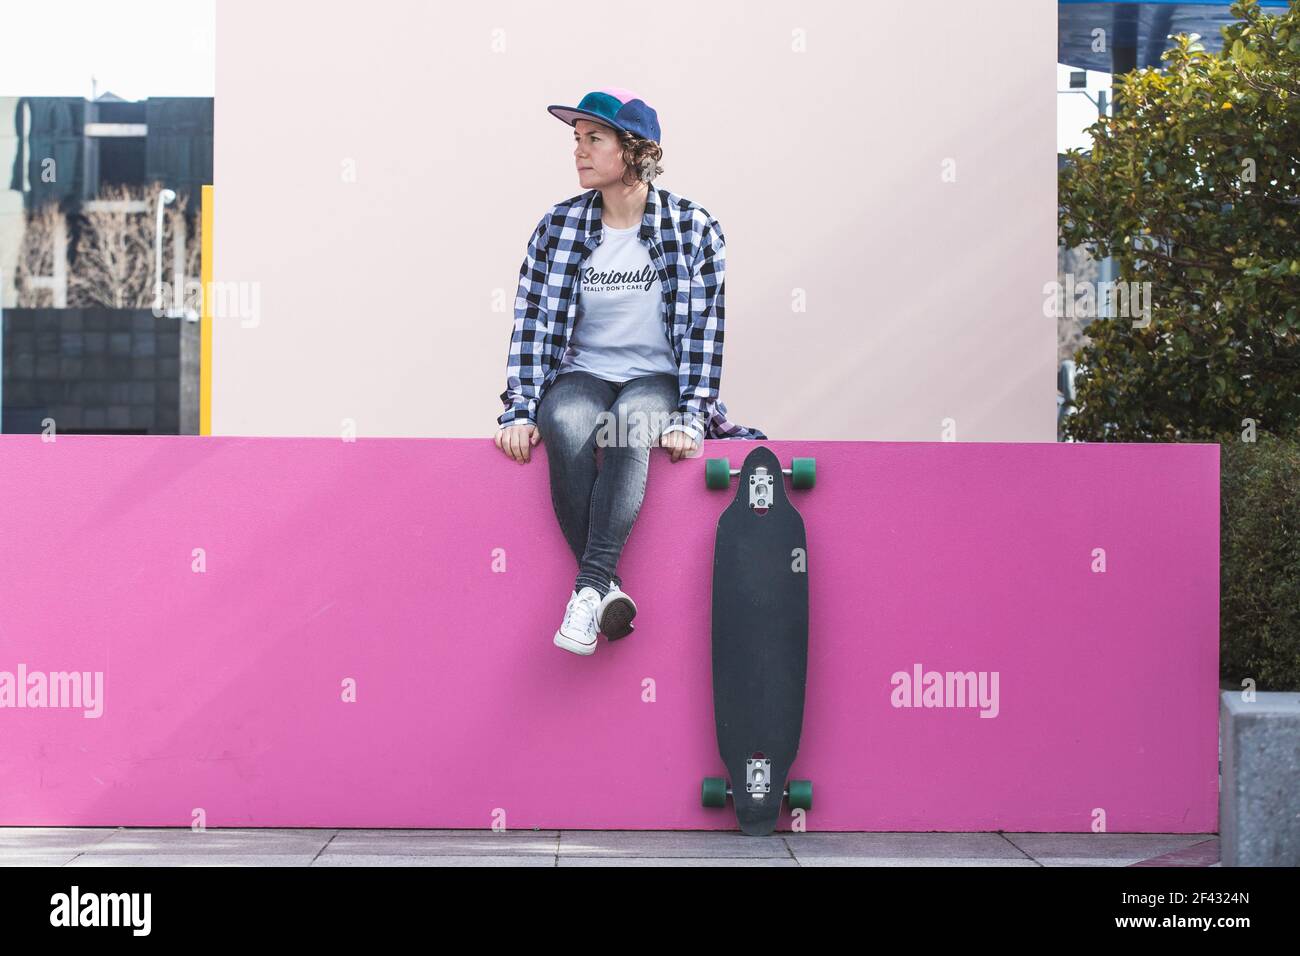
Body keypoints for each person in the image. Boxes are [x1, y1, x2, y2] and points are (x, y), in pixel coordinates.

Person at [493, 86, 765, 656]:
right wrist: (520, 408)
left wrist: (692, 416)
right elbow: (534, 320)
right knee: (567, 423)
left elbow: (705, 332)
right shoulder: (558, 228)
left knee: (629, 425)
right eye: (576, 139)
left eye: (594, 139)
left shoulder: (692, 228)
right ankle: (603, 589)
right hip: (584, 372)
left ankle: (588, 588)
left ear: (635, 150)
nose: (579, 151)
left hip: (656, 378)